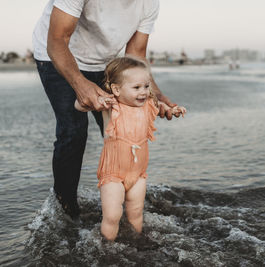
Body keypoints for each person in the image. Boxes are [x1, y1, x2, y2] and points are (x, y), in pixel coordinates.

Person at [32, 0, 180, 219]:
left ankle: (127, 201)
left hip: (103, 62)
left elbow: (136, 54)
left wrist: (155, 96)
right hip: (56, 54)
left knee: (123, 129)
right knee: (73, 131)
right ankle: (65, 209)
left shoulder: (149, 3)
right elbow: (57, 39)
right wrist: (81, 85)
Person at [75, 56, 186, 241]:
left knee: (136, 213)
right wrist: (98, 101)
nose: (143, 92)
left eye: (146, 86)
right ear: (117, 89)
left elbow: (161, 107)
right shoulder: (111, 106)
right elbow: (79, 106)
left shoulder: (148, 104)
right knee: (112, 216)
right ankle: (108, 248)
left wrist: (173, 110)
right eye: (136, 88)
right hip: (113, 175)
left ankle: (137, 241)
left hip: (138, 175)